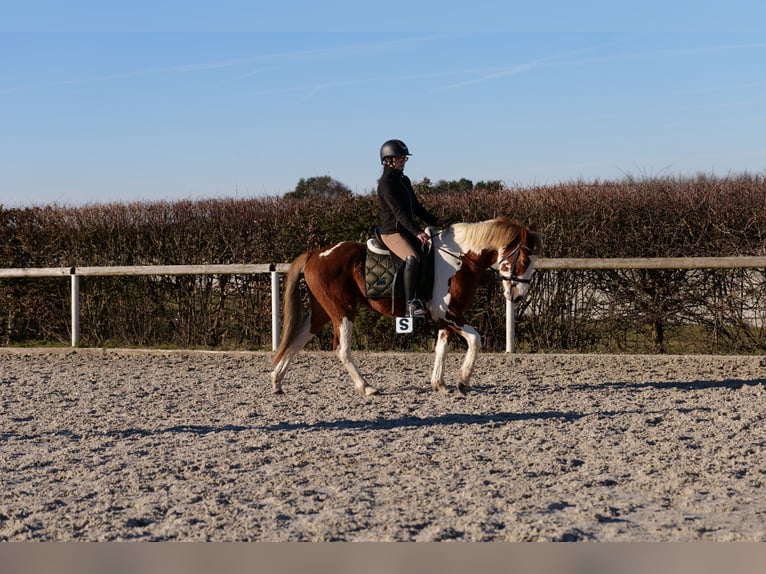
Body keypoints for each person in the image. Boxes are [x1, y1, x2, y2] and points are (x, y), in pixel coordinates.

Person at [376, 139, 446, 318]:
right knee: (412, 258)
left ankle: (424, 296)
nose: (403, 162)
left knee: (428, 254)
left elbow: (416, 207)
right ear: (388, 160)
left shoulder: (403, 180)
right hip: (392, 232)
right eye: (400, 159)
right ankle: (411, 304)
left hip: (406, 230)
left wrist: (436, 220)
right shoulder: (386, 183)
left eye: (404, 159)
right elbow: (399, 212)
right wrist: (417, 231)